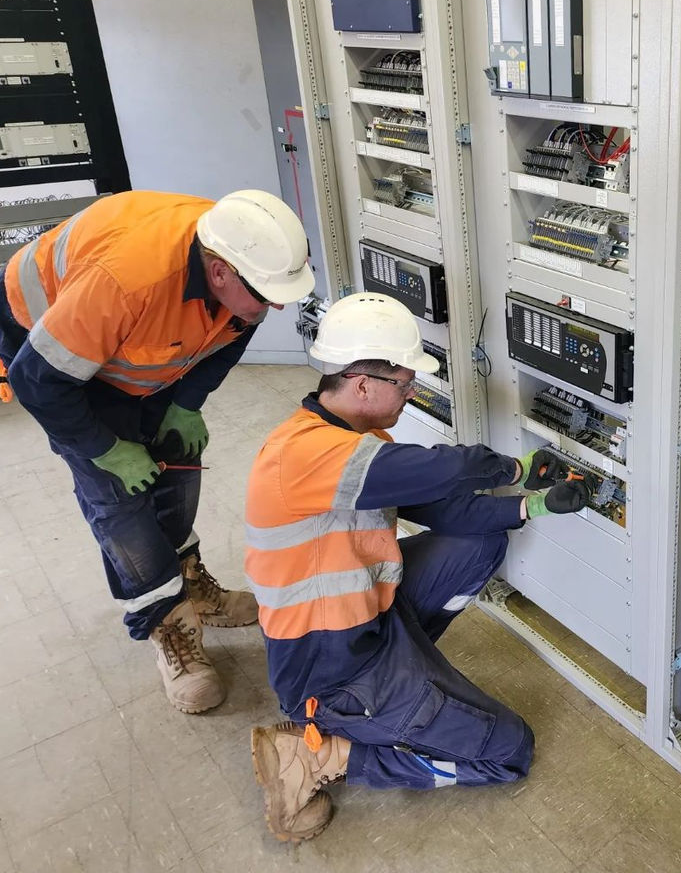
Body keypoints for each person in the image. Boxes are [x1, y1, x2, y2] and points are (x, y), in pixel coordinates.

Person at [245, 292, 589, 842]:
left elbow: (443, 507)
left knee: (480, 542)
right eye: (405, 384)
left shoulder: (355, 442)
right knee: (509, 751)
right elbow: (444, 471)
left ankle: (414, 684)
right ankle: (325, 752)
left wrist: (533, 505)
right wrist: (513, 468)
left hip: (373, 626)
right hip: (331, 671)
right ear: (362, 384)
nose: (412, 394)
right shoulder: (304, 454)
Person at [0, 189, 315, 714]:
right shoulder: (124, 283)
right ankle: (166, 623)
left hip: (137, 332)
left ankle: (189, 584)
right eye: (268, 294)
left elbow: (232, 332)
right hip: (52, 352)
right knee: (119, 498)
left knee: (175, 462)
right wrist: (106, 448)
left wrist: (186, 402)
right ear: (219, 271)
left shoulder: (245, 254)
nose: (277, 306)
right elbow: (38, 383)